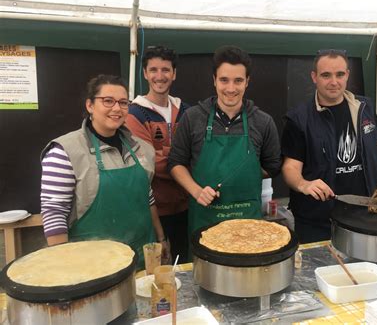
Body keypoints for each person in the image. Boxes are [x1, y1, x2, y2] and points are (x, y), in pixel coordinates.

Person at [40, 74, 169, 268]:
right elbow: (54, 212)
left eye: (123, 103)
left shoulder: (142, 149)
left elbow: (147, 197)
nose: (117, 108)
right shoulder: (64, 152)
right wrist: (63, 265)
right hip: (91, 266)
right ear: (90, 105)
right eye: (108, 101)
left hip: (142, 257)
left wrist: (161, 238)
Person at [168, 45, 281, 236]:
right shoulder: (192, 117)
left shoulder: (263, 122)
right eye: (224, 80)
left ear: (247, 82)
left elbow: (272, 166)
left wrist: (239, 178)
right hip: (205, 220)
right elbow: (176, 163)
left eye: (238, 81)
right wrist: (196, 191)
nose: (230, 88)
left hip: (248, 223)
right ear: (214, 80)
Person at [281, 49, 377, 243]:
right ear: (314, 77)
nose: (334, 82)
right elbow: (290, 167)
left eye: (340, 74)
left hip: (363, 216)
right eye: (326, 75)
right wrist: (304, 184)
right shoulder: (299, 118)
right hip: (317, 222)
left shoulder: (364, 109)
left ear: (347, 74)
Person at [126, 46, 189, 264]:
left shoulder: (186, 111)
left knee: (186, 267)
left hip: (188, 207)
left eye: (165, 70)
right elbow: (148, 162)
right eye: (153, 70)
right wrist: (182, 159)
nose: (159, 76)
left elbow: (197, 153)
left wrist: (165, 153)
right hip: (154, 211)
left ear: (174, 73)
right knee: (159, 271)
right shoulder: (134, 113)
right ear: (145, 73)